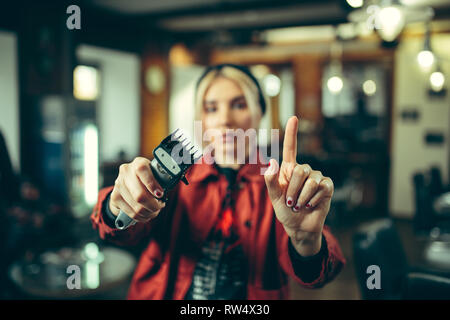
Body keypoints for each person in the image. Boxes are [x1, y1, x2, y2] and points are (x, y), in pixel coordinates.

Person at [91, 64, 346, 300]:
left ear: (260, 113)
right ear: (202, 120)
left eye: (238, 104)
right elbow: (121, 236)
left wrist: (306, 242)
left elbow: (322, 273)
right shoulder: (176, 178)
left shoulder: (279, 186)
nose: (225, 120)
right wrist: (117, 206)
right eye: (211, 108)